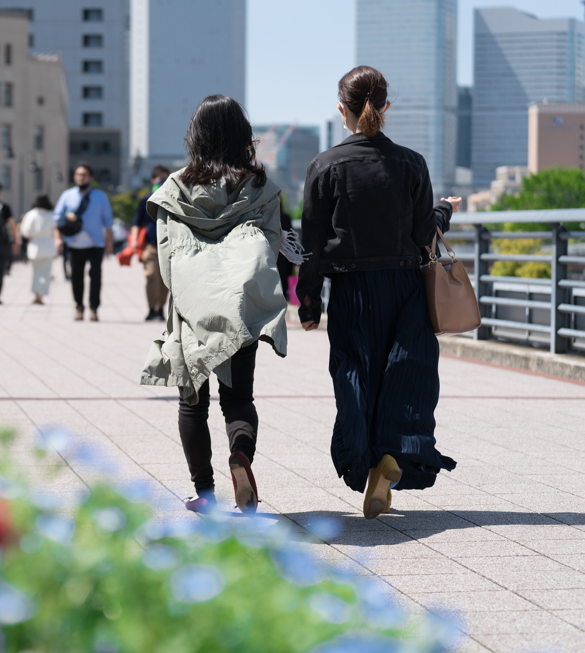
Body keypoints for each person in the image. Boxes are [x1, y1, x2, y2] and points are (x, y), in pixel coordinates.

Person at [297, 65, 462, 520]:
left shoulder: (324, 166)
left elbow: (310, 243)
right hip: (407, 287)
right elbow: (424, 233)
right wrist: (443, 211)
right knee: (404, 376)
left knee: (355, 375)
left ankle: (368, 462)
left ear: (341, 109)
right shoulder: (411, 163)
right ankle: (391, 461)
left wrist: (307, 302)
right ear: (386, 107)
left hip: (352, 289)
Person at [140, 95, 289, 514]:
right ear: (244, 135)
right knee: (239, 399)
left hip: (192, 309)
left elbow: (168, 259)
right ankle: (240, 454)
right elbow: (273, 245)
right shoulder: (260, 187)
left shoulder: (175, 188)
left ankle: (204, 493)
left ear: (196, 136)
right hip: (240, 306)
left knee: (193, 403)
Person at [53, 164, 114, 321]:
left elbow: (108, 222)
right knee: (76, 277)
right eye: (78, 174)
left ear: (91, 178)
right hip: (74, 243)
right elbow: (57, 219)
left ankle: (94, 308)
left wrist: (109, 242)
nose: (81, 177)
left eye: (84, 174)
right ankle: (79, 306)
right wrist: (58, 238)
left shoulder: (100, 196)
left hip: (96, 243)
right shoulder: (67, 195)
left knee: (95, 276)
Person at [130, 165, 171, 321]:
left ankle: (160, 308)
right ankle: (151, 308)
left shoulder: (173, 198)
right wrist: (134, 240)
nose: (162, 182)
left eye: (166, 178)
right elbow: (137, 222)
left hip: (168, 246)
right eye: (159, 178)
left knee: (164, 279)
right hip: (151, 245)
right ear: (153, 180)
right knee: (151, 275)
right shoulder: (146, 199)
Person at [20, 194, 60, 304]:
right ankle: (41, 295)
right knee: (46, 273)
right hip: (48, 245)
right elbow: (55, 231)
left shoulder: (30, 215)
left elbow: (25, 232)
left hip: (35, 245)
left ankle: (36, 294)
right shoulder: (51, 215)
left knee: (36, 272)